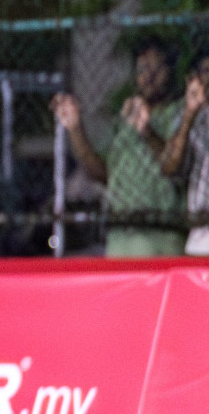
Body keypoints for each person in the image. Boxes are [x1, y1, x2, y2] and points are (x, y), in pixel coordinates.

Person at [52, 38, 186, 257]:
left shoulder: (179, 115)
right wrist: (75, 128)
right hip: (120, 235)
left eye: (156, 68)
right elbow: (100, 173)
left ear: (170, 70)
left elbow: (174, 164)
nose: (149, 76)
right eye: (142, 68)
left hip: (161, 234)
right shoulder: (123, 122)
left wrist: (146, 131)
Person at [161, 51, 209, 256]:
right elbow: (171, 166)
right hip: (202, 237)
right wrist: (190, 113)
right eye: (206, 71)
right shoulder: (187, 116)